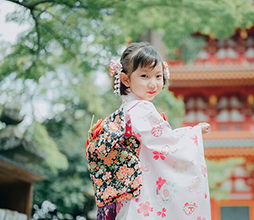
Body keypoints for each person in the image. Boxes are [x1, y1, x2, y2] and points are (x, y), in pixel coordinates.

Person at [86, 42, 211, 220]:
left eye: (158, 76)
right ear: (125, 79)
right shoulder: (140, 108)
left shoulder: (127, 108)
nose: (153, 83)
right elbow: (166, 142)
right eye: (145, 76)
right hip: (141, 187)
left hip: (133, 187)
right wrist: (193, 133)